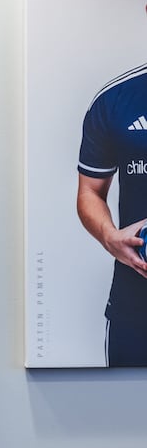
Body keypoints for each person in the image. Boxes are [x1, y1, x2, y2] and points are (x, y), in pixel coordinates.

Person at [76, 39, 147, 366]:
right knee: (128, 400)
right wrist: (109, 236)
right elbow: (90, 192)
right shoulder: (115, 100)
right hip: (136, 304)